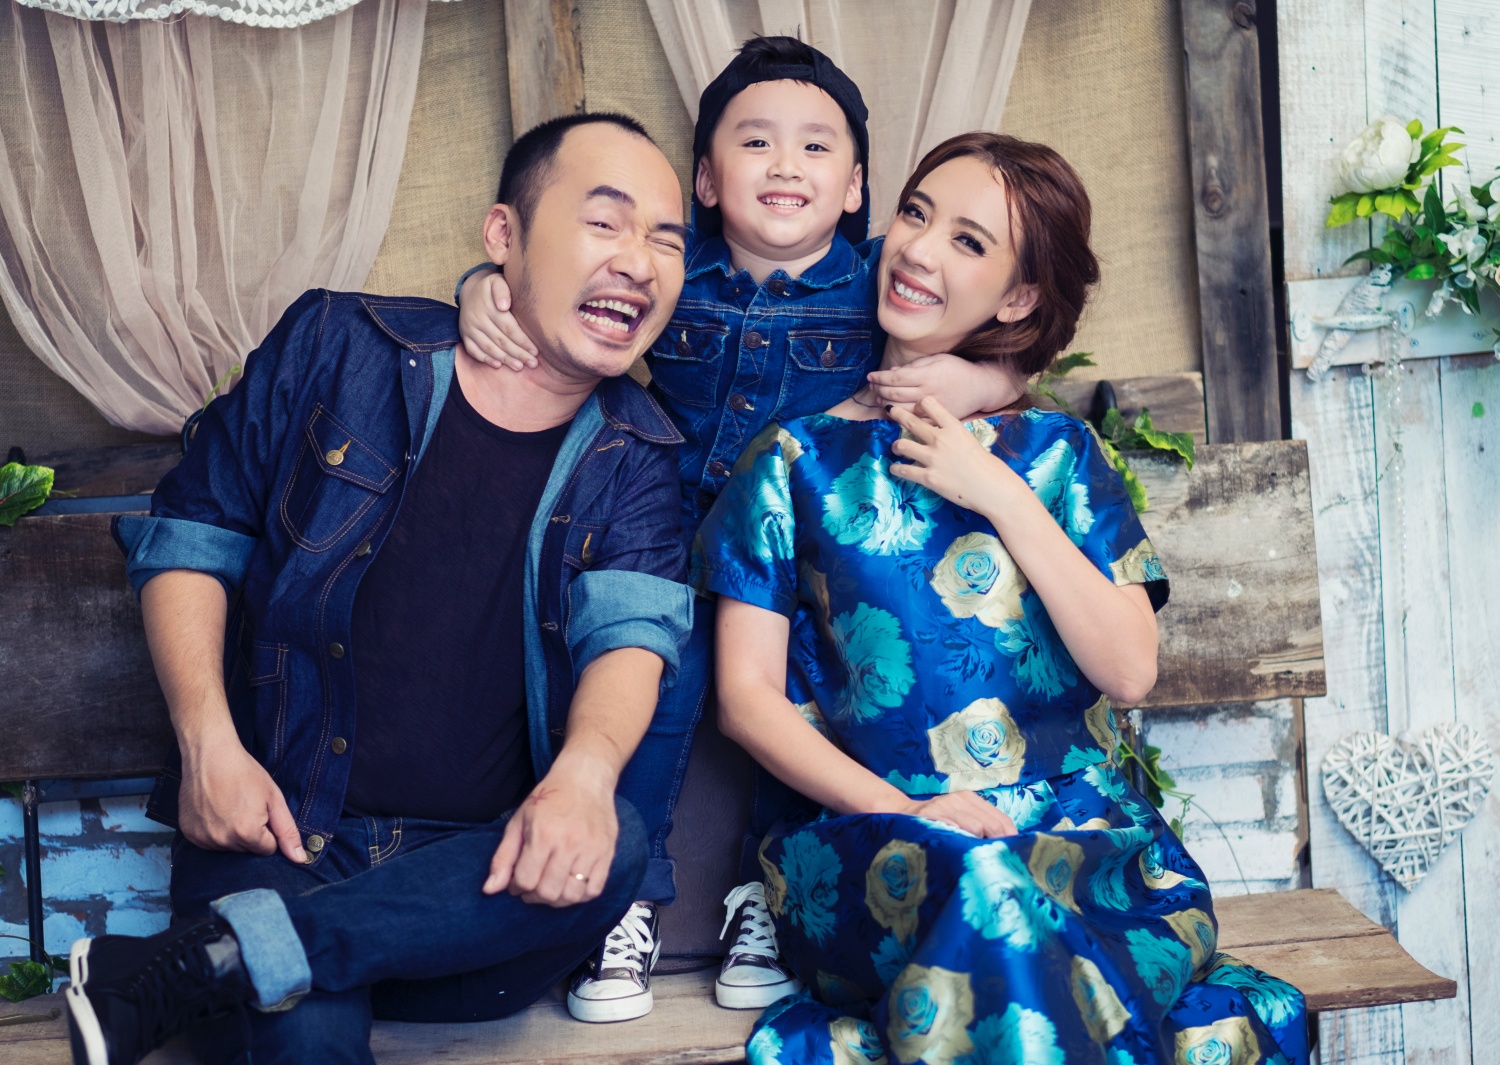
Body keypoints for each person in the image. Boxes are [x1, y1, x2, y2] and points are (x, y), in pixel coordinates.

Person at [64, 113, 695, 1065]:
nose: (639, 262)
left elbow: (630, 635)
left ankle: (193, 966)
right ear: (504, 235)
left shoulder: (639, 452)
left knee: (620, 840)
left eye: (667, 240)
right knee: (306, 1036)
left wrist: (584, 776)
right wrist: (207, 745)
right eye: (605, 222)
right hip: (279, 842)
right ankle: (244, 954)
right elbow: (192, 537)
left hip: (470, 895)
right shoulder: (339, 346)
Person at [695, 132, 1309, 1064]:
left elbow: (1129, 670)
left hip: (1083, 841)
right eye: (915, 214)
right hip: (878, 842)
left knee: (1176, 1005)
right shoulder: (792, 461)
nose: (918, 250)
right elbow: (746, 702)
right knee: (991, 892)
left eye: (968, 242)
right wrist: (912, 813)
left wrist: (999, 493)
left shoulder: (1059, 456)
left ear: (1017, 297)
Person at [457, 35, 1023, 1017]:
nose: (786, 165)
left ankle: (765, 896)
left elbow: (1013, 336)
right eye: (756, 143)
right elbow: (542, 278)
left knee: (809, 683)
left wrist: (979, 379)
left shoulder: (876, 278)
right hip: (669, 531)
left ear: (856, 187)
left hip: (802, 553)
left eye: (817, 147)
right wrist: (480, 289)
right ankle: (626, 899)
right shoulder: (673, 267)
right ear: (708, 181)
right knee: (653, 678)